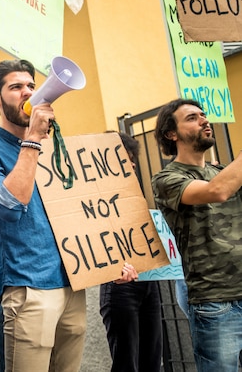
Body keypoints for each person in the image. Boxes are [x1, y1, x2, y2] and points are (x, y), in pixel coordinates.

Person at [0, 59, 86, 372]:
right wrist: (33, 138)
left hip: (72, 284)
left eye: (31, 86)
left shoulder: (54, 149)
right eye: (16, 87)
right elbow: (8, 206)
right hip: (28, 287)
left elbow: (81, 210)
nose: (28, 93)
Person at [151, 98, 242, 372]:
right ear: (172, 134)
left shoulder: (222, 171)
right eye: (192, 117)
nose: (204, 120)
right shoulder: (166, 179)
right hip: (215, 301)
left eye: (204, 115)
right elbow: (217, 191)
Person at [99, 132, 162, 372]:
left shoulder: (134, 195)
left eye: (133, 158)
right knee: (127, 363)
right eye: (126, 158)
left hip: (148, 283)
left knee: (152, 360)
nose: (133, 164)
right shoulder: (93, 200)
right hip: (119, 286)